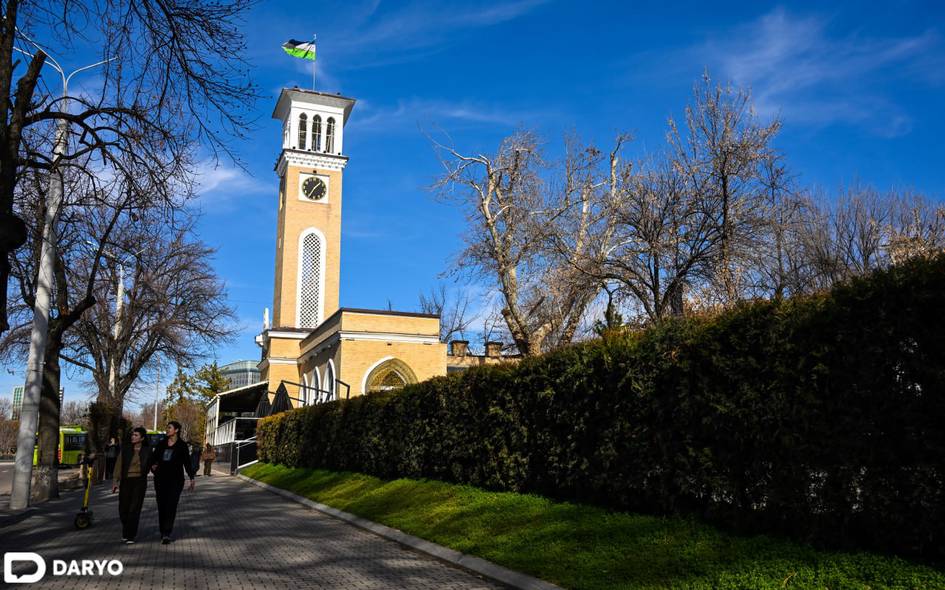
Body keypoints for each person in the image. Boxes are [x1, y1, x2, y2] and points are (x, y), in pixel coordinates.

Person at [150, 421, 196, 544]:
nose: (167, 429)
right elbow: (153, 458)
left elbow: (187, 462)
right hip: (160, 479)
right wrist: (153, 466)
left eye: (169, 427)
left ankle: (166, 533)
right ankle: (162, 530)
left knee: (171, 505)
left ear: (176, 430)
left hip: (176, 480)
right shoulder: (161, 444)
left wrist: (191, 478)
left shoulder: (182, 445)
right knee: (162, 506)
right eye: (167, 427)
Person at [111, 427, 153, 544]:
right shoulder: (126, 449)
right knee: (123, 509)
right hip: (126, 481)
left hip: (139, 482)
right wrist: (115, 481)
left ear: (142, 438)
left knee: (134, 509)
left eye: (136, 435)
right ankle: (127, 528)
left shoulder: (147, 450)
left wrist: (156, 468)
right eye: (132, 435)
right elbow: (118, 465)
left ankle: (130, 536)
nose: (133, 437)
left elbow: (153, 464)